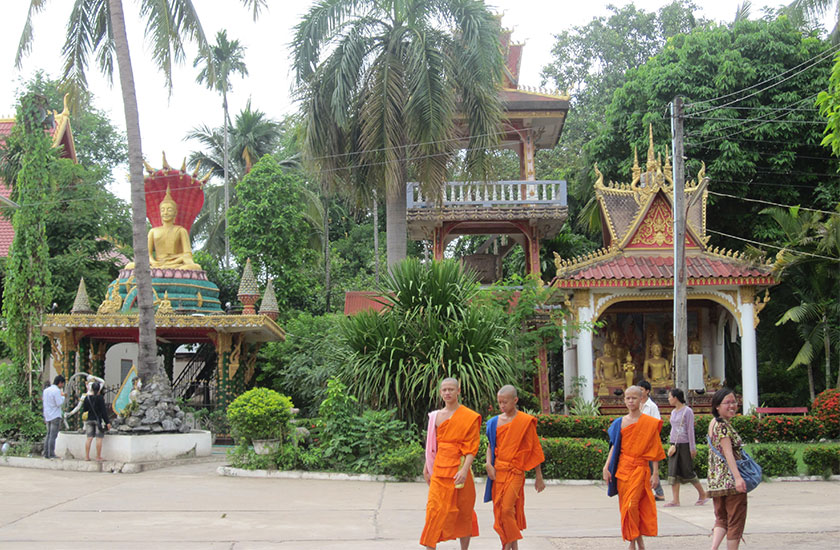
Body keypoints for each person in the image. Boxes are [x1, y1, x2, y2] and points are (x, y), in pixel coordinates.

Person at [603, 386, 666, 550]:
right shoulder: (619, 423)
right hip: (623, 470)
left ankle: (633, 542)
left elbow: (655, 449)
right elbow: (614, 447)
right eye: (628, 398)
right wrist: (606, 466)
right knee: (627, 507)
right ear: (624, 400)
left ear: (641, 399)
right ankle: (638, 542)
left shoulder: (649, 423)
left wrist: (656, 474)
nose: (631, 401)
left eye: (634, 398)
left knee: (632, 505)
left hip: (640, 469)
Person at [421, 378, 481, 550]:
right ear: (440, 392)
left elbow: (471, 447)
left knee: (464, 511)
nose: (447, 393)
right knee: (434, 510)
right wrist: (427, 466)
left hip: (459, 469)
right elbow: (432, 446)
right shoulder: (435, 417)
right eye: (444, 390)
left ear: (458, 391)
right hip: (439, 469)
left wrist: (464, 469)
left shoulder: (469, 417)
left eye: (451, 389)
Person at [484, 385, 545, 550]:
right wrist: (488, 464)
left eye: (505, 402)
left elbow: (534, 449)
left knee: (506, 510)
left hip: (515, 472)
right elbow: (490, 446)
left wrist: (539, 477)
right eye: (499, 403)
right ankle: (513, 546)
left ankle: (506, 546)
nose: (502, 406)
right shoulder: (494, 422)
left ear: (515, 400)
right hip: (498, 473)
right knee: (501, 512)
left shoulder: (525, 422)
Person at [707, 388, 748, 550]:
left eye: (734, 402)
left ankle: (713, 548)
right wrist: (738, 478)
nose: (732, 406)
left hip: (717, 481)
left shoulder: (713, 423)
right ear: (717, 406)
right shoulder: (723, 426)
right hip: (730, 481)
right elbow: (728, 453)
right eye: (727, 403)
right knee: (735, 522)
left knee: (721, 518)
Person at [664, 388, 709, 507]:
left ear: (675, 398)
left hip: (684, 444)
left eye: (670, 397)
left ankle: (702, 494)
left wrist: (692, 448)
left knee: (688, 471)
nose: (668, 399)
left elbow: (690, 430)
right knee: (673, 471)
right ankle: (675, 500)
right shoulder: (673, 412)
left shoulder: (687, 411)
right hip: (674, 444)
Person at [639, 380, 664, 501]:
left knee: (650, 466)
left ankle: (659, 492)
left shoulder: (652, 406)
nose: (640, 392)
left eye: (642, 390)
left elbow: (657, 423)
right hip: (638, 439)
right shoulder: (637, 404)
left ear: (647, 391)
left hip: (649, 439)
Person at [83, 382, 111, 461]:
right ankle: (98, 456)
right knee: (99, 438)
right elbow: (103, 411)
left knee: (89, 438)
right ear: (99, 389)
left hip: (89, 419)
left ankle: (87, 456)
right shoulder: (100, 398)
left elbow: (85, 409)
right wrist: (107, 422)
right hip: (98, 420)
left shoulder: (87, 398)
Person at [42, 375, 66, 459]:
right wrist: (63, 396)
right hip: (55, 415)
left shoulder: (46, 390)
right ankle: (51, 454)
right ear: (60, 383)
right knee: (53, 435)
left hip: (48, 415)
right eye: (62, 384)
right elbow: (59, 403)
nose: (62, 386)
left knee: (48, 434)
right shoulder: (56, 391)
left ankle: (46, 453)